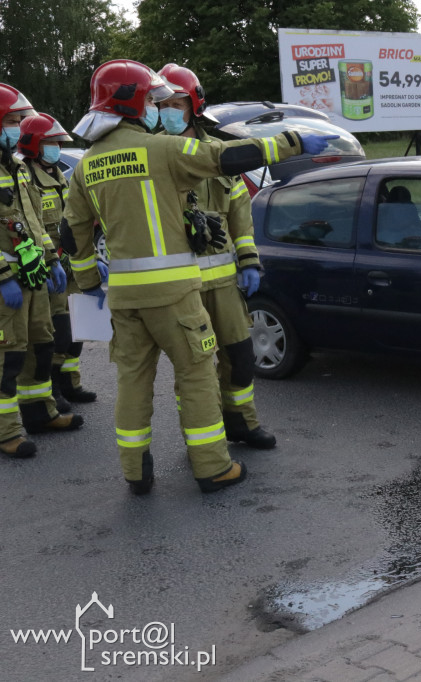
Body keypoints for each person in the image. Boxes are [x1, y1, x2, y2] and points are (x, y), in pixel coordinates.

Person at [61, 60, 334, 493]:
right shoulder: (162, 149)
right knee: (197, 374)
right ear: (133, 102)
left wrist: (90, 283)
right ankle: (211, 467)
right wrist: (294, 140)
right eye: (151, 99)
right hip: (174, 295)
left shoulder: (86, 165)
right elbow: (226, 157)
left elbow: (71, 228)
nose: (157, 107)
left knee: (132, 382)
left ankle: (135, 472)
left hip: (123, 300)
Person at [157, 63, 275, 450]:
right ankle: (200, 440)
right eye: (162, 104)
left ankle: (241, 423)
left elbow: (241, 216)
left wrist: (250, 260)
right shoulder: (155, 154)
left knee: (240, 358)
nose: (168, 112)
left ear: (194, 106)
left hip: (224, 284)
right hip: (182, 286)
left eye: (176, 103)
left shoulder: (220, 154)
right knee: (194, 370)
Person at [0, 84, 82, 459]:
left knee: (41, 343)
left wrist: (50, 261)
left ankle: (40, 413)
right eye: (14, 121)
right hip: (7, 278)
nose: (19, 128)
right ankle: (6, 432)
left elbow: (32, 221)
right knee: (8, 354)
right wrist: (2, 275)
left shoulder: (15, 167)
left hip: (32, 273)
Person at [18, 113, 98, 411]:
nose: (55, 147)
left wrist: (94, 257)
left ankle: (70, 383)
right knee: (58, 332)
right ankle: (52, 388)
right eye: (50, 142)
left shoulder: (59, 174)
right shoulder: (24, 177)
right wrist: (51, 259)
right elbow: (32, 225)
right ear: (34, 145)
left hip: (72, 262)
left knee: (80, 329)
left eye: (57, 142)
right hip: (49, 266)